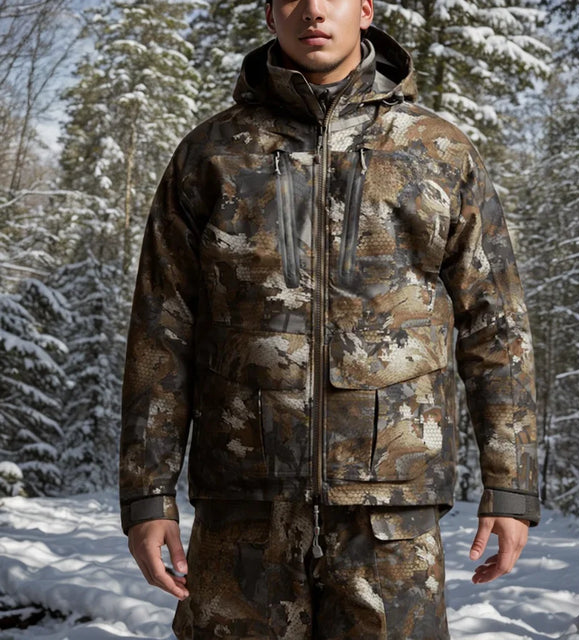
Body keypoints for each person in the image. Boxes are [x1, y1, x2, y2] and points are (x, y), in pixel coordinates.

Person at [120, 0, 540, 637]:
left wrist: (510, 485)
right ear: (270, 15)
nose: (314, 9)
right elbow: (161, 329)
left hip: (391, 517)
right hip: (243, 513)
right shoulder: (212, 153)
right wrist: (147, 493)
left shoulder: (438, 151)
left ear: (365, 9)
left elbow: (495, 326)